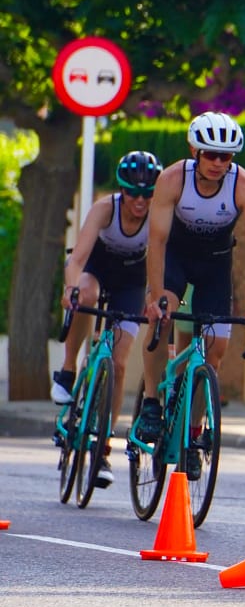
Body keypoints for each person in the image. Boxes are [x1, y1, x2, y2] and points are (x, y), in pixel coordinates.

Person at [139, 112, 245, 449]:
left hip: (215, 264)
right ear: (194, 151)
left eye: (225, 156)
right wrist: (155, 296)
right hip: (175, 257)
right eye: (210, 154)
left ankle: (193, 432)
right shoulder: (173, 179)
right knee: (162, 317)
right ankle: (151, 402)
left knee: (215, 351)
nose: (217, 163)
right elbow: (157, 241)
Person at [51, 151, 163, 488]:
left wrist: (154, 298)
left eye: (147, 193)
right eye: (133, 192)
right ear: (121, 190)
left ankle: (102, 448)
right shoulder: (105, 209)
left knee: (119, 363)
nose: (140, 201)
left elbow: (161, 264)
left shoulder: (158, 215)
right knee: (84, 296)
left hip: (131, 282)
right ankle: (69, 370)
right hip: (96, 270)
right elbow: (77, 259)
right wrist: (70, 288)